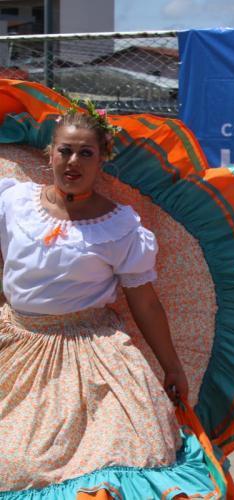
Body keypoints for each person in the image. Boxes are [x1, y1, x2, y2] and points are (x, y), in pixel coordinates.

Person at [0, 106, 218, 495]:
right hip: (19, 345)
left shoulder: (120, 226)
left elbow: (144, 302)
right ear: (50, 153)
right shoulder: (13, 202)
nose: (73, 161)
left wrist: (172, 367)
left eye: (86, 153)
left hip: (92, 353)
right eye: (66, 150)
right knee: (17, 462)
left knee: (131, 449)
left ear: (102, 159)